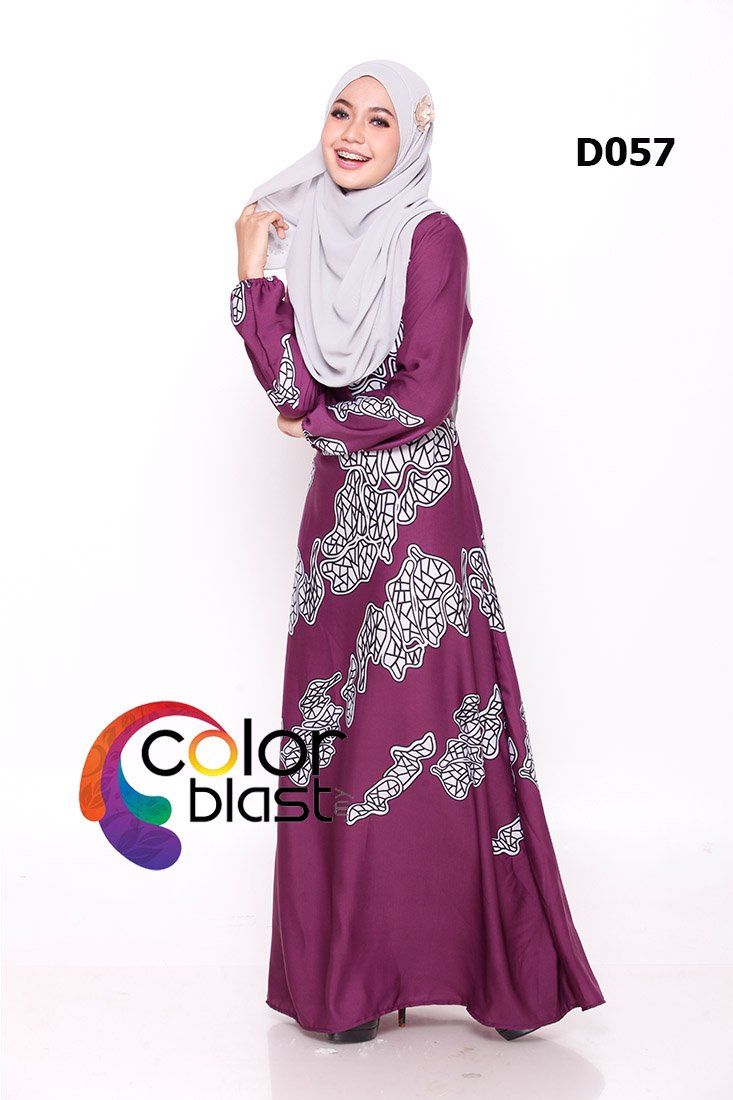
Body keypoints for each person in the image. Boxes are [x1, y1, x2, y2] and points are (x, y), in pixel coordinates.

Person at [230, 59, 605, 1044]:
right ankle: (346, 984)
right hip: (337, 530)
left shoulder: (430, 236)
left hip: (421, 528)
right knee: (338, 743)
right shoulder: (309, 240)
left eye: (379, 120)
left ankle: (499, 973)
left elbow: (424, 393)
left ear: (413, 138)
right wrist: (253, 275)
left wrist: (317, 422)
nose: (352, 135)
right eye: (340, 113)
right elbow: (290, 390)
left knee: (440, 737)